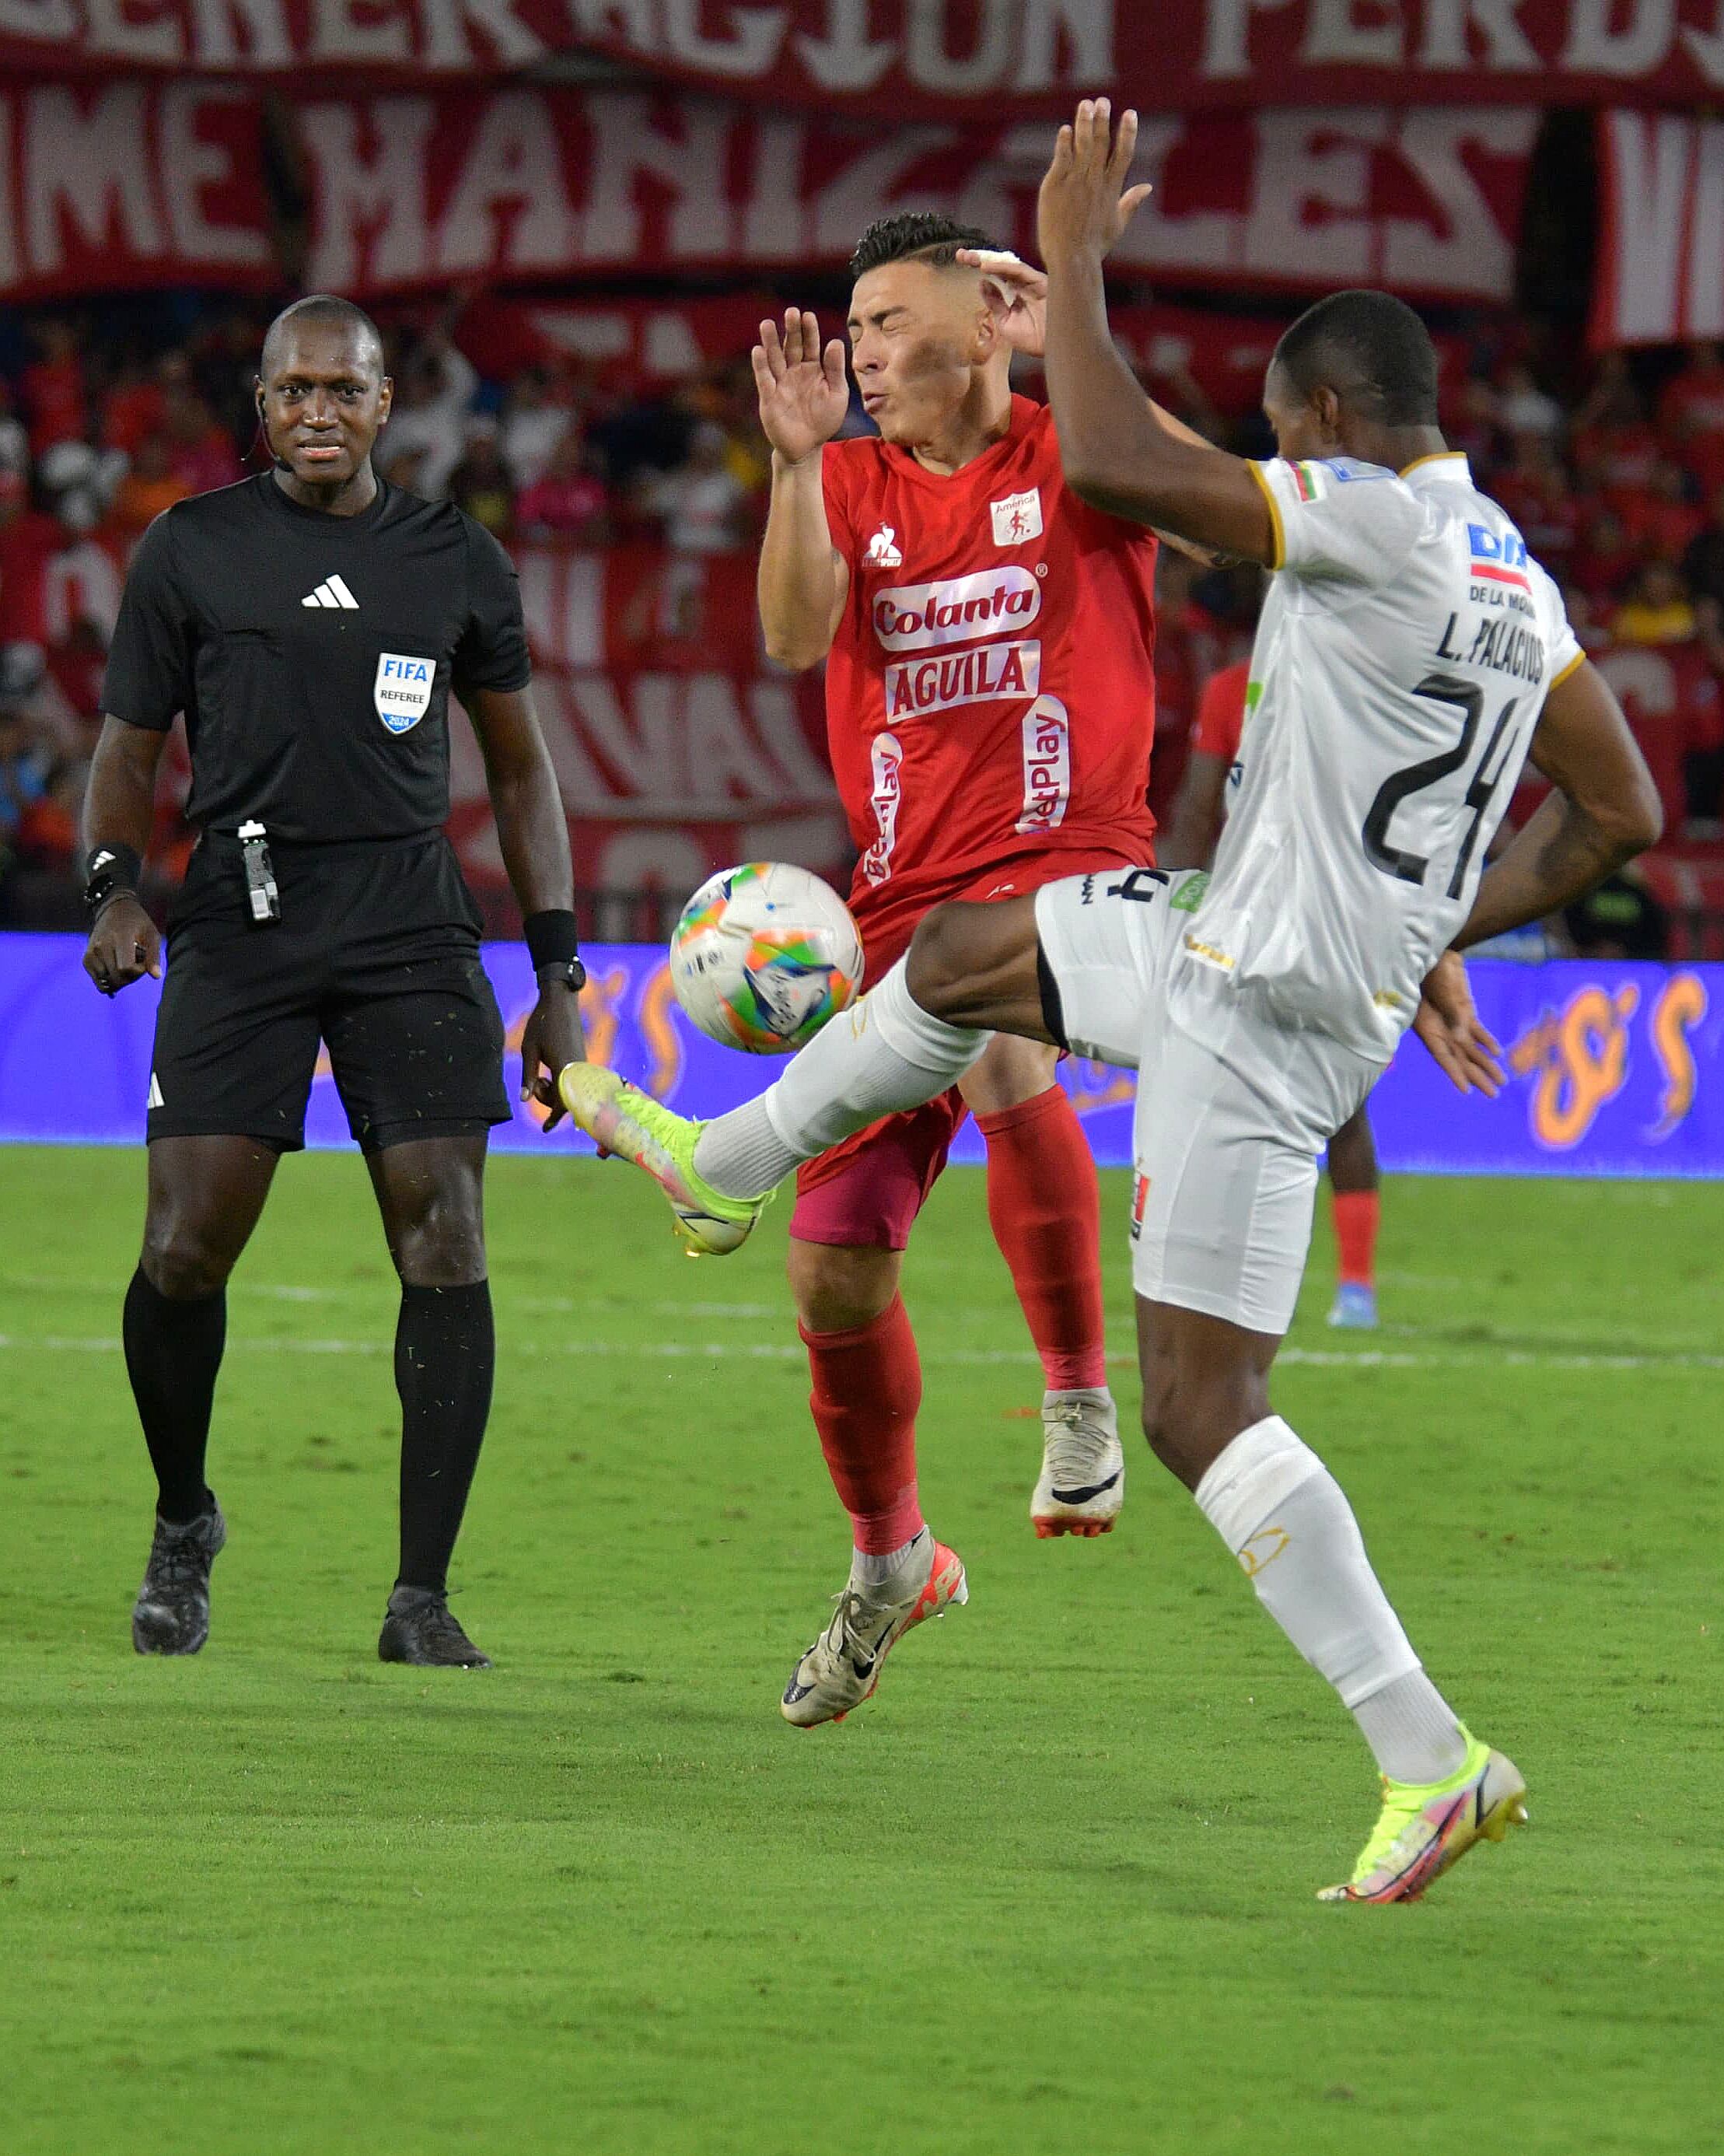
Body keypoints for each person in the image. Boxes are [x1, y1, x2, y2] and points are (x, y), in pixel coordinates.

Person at [555, 104, 1662, 1902]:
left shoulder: (1360, 515)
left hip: (1253, 999)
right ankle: (723, 1162)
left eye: (1281, 434)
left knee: (1198, 1404)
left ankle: (1426, 1755)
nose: (1273, 457)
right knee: (962, 962)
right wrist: (1425, 927)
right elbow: (1620, 816)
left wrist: (1070, 256)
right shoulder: (1513, 581)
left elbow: (1133, 465)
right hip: (1277, 964)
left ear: (1320, 422)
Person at [82, 295, 586, 1668]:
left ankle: (420, 1598)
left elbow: (522, 771)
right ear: (261, 403)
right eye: (294, 389)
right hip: (239, 915)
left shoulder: (454, 558)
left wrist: (557, 970)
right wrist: (113, 887)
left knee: (446, 1237)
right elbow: (128, 746)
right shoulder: (191, 548)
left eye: (344, 389)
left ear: (383, 405)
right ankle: (184, 1519)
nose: (318, 410)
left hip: (408, 921)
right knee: (183, 1251)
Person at [731, 208, 1170, 1728]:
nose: (859, 352)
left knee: (995, 1032)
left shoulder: (1077, 452)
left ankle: (1077, 1397)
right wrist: (793, 467)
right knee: (829, 1265)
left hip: (1068, 858)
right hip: (897, 903)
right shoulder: (845, 482)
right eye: (850, 328)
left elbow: (1207, 507)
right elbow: (795, 637)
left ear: (984, 321)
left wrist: (1078, 344)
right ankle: (890, 1561)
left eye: (886, 320)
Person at [1162, 654, 1383, 1328]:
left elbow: (1198, 807)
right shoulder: (1240, 687)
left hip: (1299, 914)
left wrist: (1170, 906)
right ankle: (1338, 1287)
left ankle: (1338, 1286)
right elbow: (1198, 807)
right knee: (1322, 1103)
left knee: (1306, 1102)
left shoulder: (1277, 684)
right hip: (1281, 915)